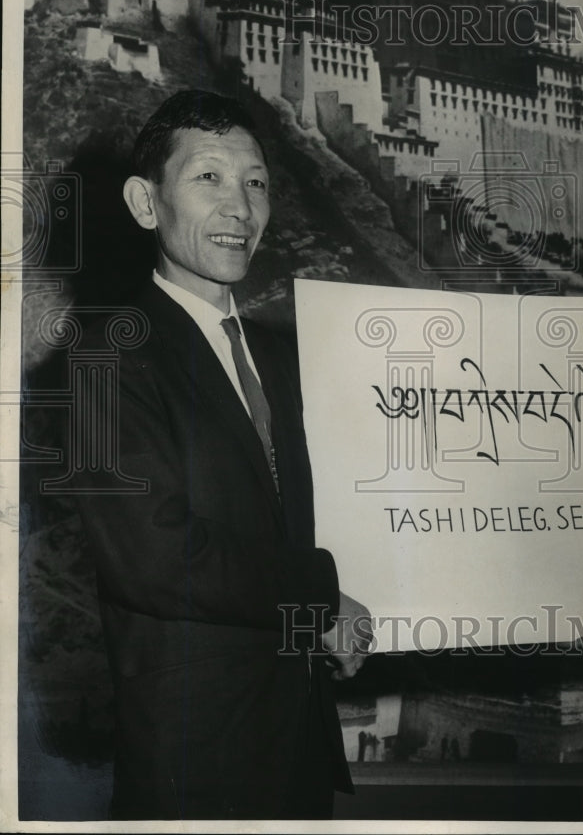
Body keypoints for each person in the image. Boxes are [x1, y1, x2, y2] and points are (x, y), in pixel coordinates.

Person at [75, 90, 371, 820]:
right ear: (146, 204)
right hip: (194, 762)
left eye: (256, 182)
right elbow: (153, 557)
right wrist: (321, 594)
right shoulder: (105, 358)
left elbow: (288, 527)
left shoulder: (280, 358)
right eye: (207, 177)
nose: (239, 207)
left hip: (296, 745)